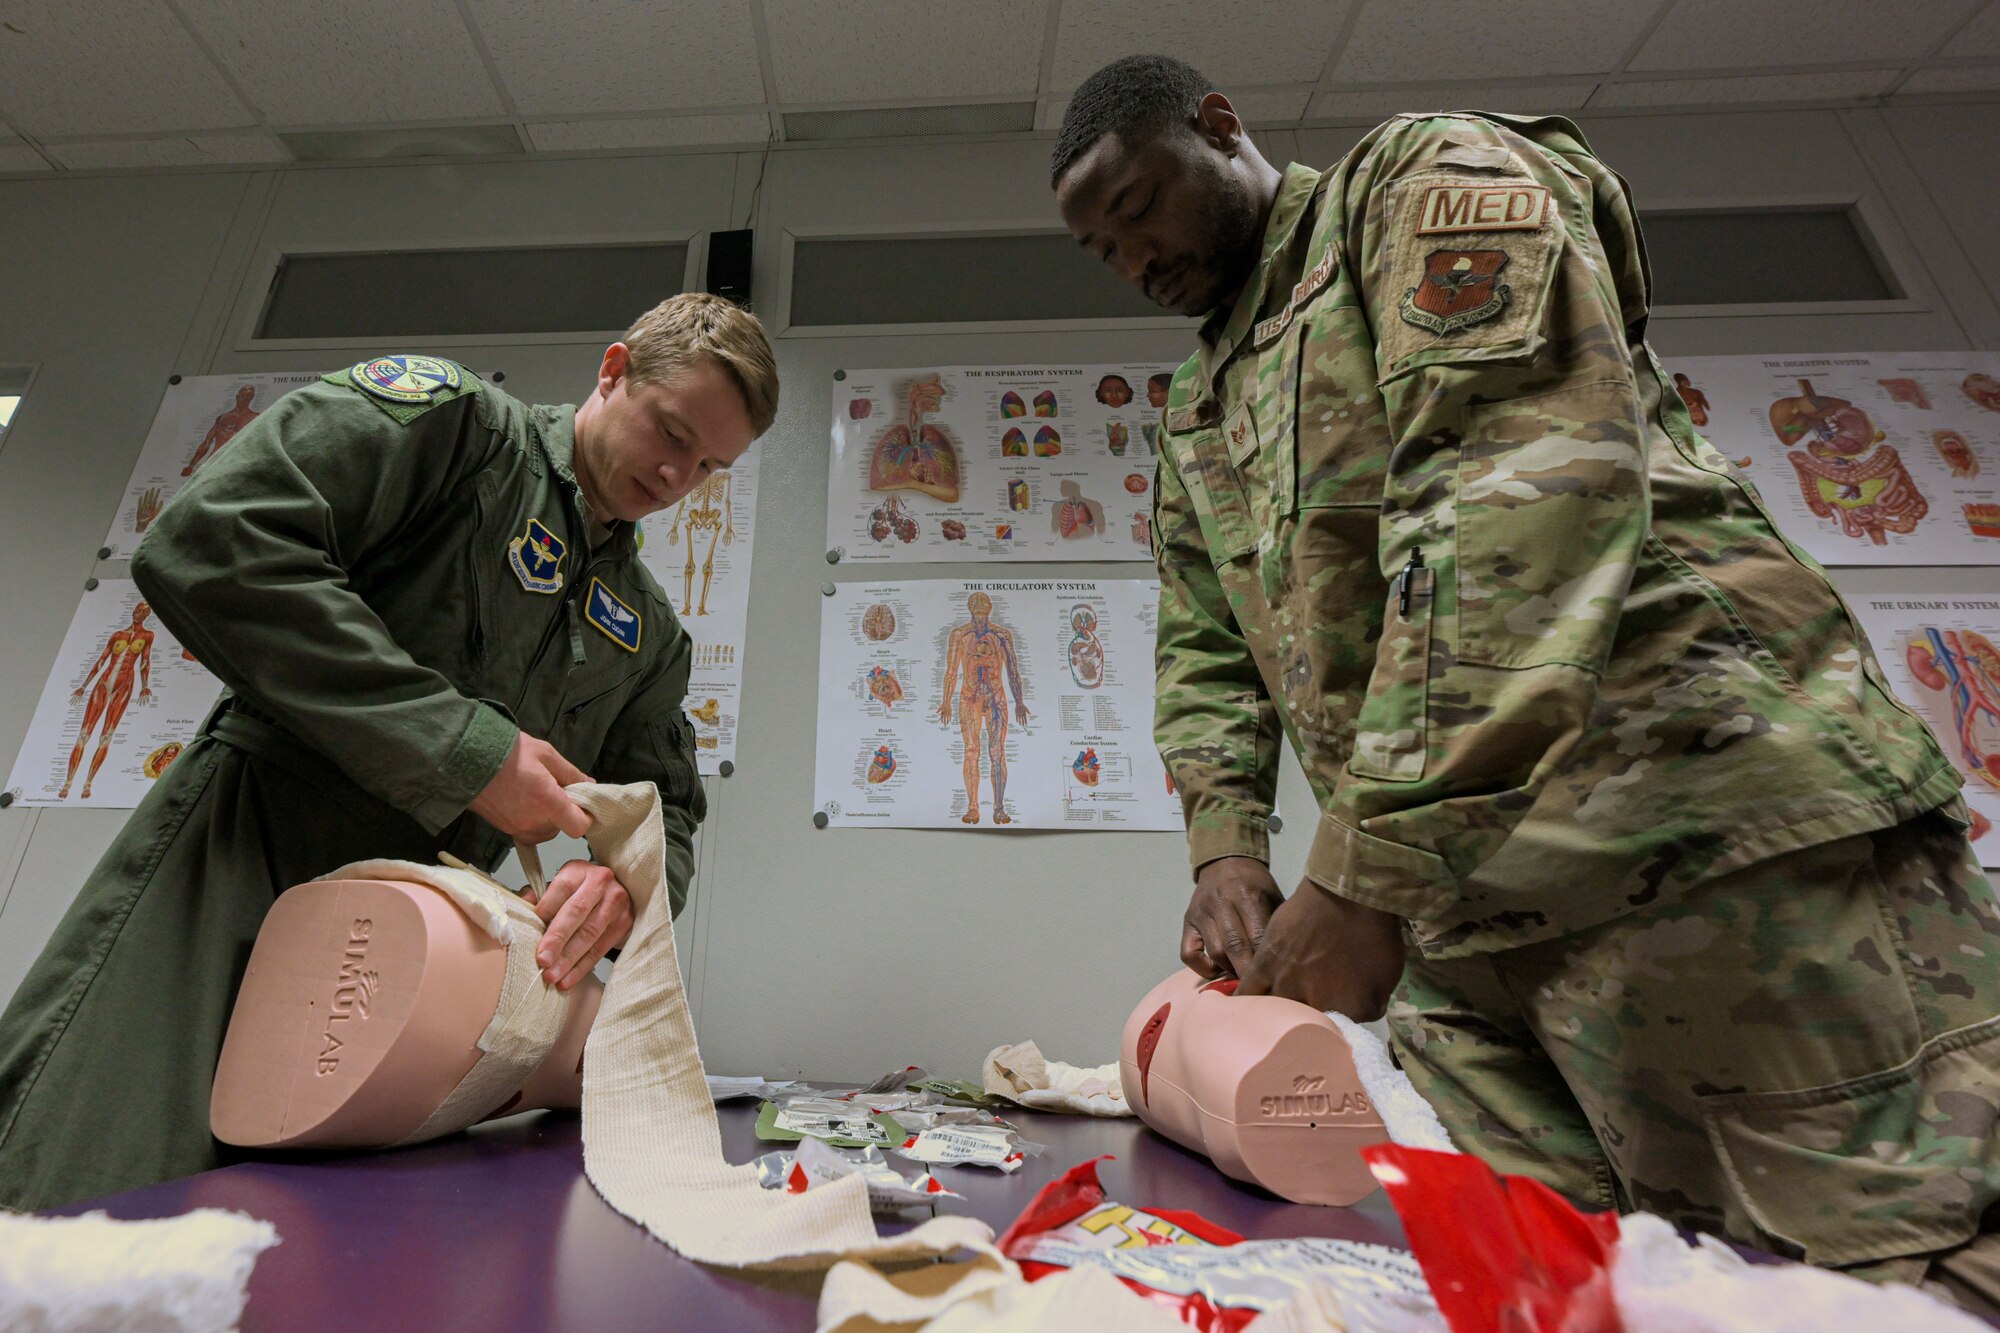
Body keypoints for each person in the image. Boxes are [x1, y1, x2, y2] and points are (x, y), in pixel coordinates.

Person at [1054, 54, 2000, 1309]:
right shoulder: (1198, 402)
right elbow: (1205, 641)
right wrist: (1224, 846)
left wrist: (1364, 866)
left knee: (1884, 1269)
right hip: (1463, 931)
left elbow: (1515, 499)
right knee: (1577, 1286)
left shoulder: (1416, 187)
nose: (1135, 261)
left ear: (1220, 129)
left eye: (1137, 211)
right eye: (1101, 251)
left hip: (1699, 845)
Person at [0, 293, 778, 1211]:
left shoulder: (647, 631)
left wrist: (622, 886)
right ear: (613, 370)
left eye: (708, 464)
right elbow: (215, 541)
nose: (676, 472)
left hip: (422, 953)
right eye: (671, 430)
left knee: (300, 1235)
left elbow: (670, 812)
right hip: (247, 863)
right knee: (92, 1182)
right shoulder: (459, 432)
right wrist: (467, 751)